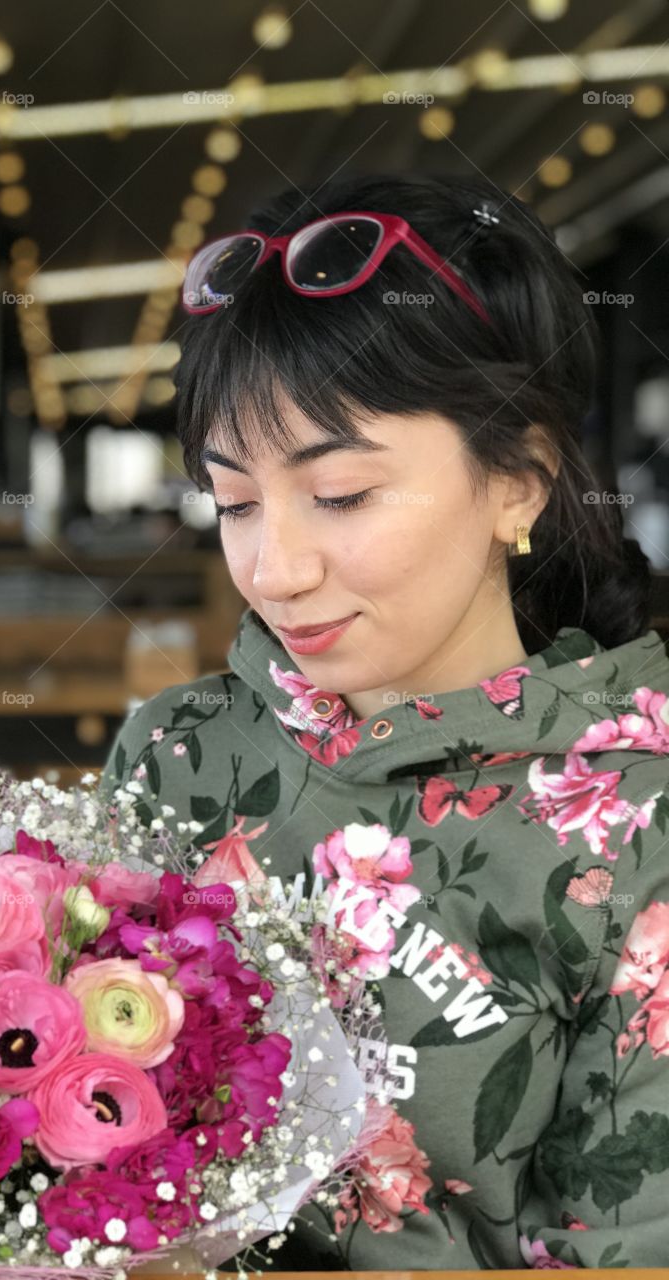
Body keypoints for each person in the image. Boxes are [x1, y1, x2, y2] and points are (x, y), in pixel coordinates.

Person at [99, 171, 669, 1270]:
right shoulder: (180, 754)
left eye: (343, 493)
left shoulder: (638, 827)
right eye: (235, 500)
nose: (277, 567)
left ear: (520, 480)